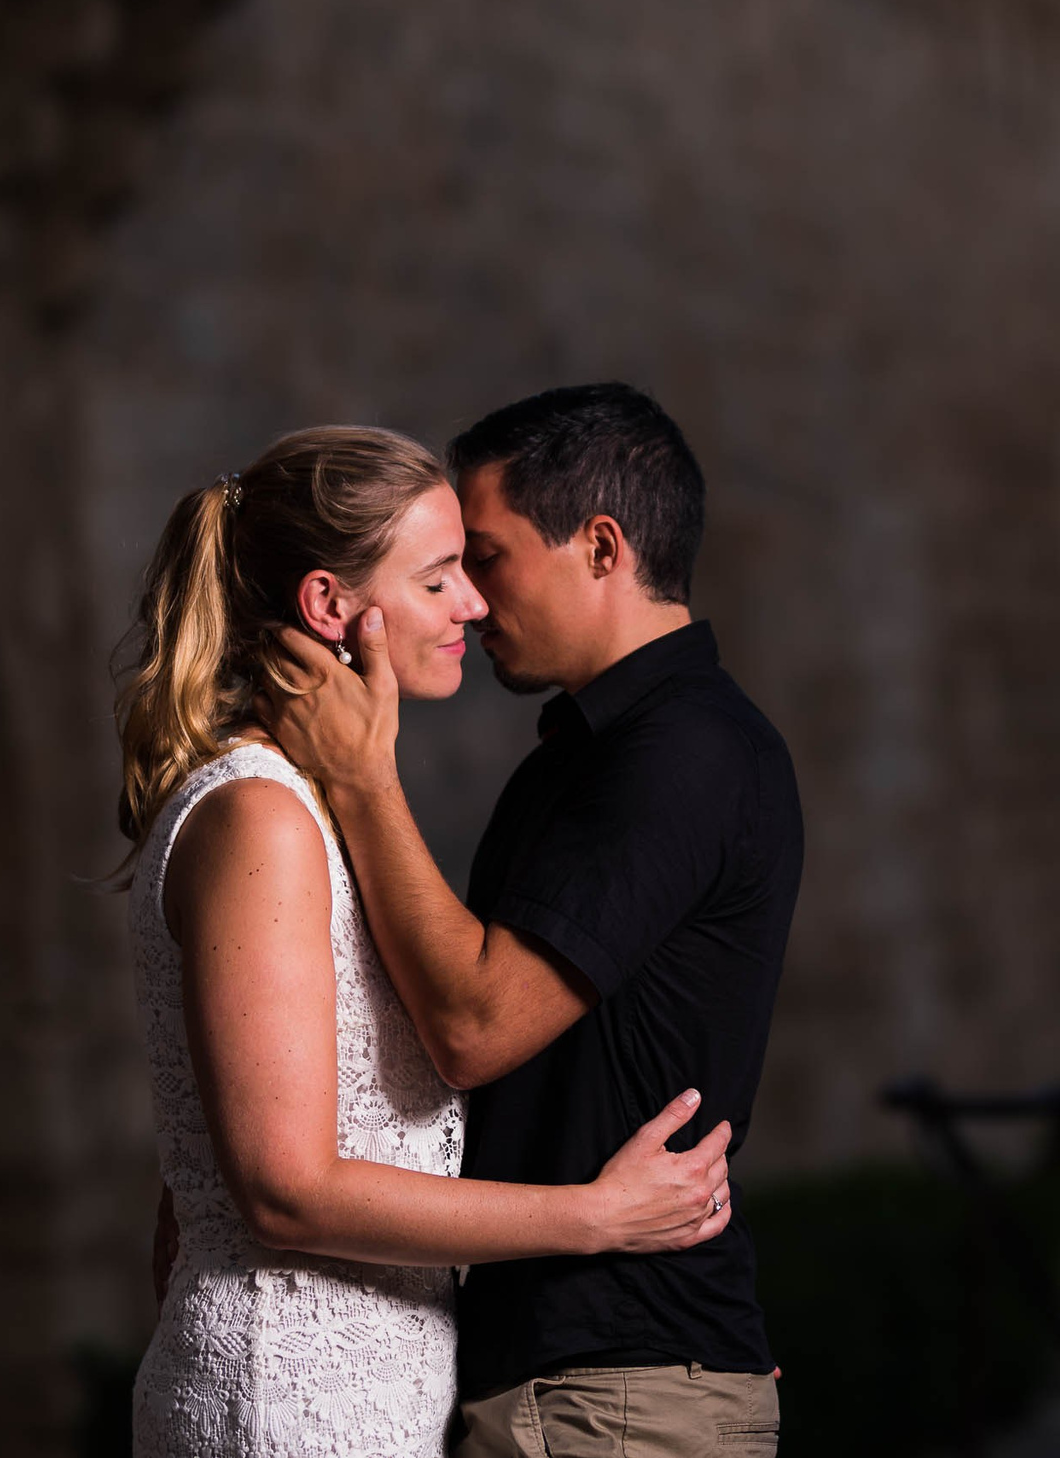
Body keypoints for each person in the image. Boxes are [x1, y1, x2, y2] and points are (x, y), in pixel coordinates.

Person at [116, 425, 734, 1458]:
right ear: (329, 606)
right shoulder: (263, 815)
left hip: (362, 1393)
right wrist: (595, 1215)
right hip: (291, 1405)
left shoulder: (307, 808)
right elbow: (283, 1187)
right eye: (442, 577)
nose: (475, 606)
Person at [263, 384, 802, 1455]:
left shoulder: (681, 755)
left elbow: (470, 1026)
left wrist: (364, 780)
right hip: (586, 1384)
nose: (465, 595)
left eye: (488, 557)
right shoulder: (588, 753)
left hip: (618, 1392)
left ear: (601, 547)